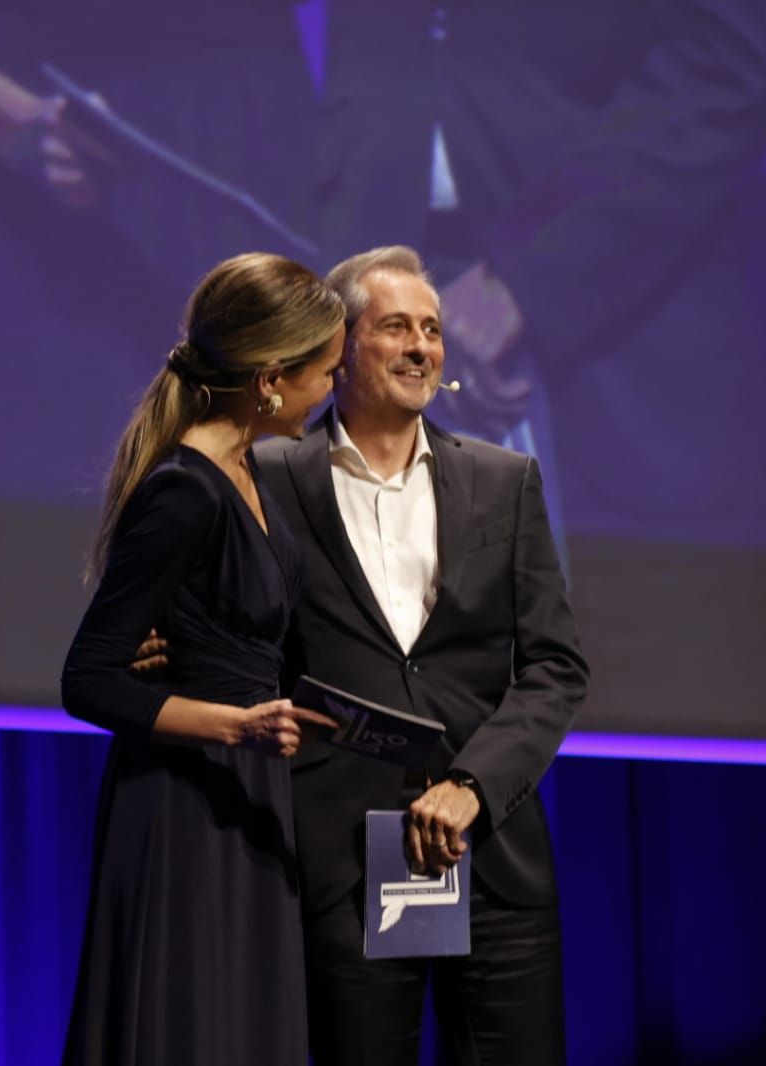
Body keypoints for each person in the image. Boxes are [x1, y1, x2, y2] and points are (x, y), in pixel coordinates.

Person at [255, 246, 589, 1065]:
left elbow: (555, 666)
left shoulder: (505, 481)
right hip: (341, 861)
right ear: (340, 346)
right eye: (396, 327)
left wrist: (472, 786)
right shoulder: (269, 477)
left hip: (493, 861)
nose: (421, 347)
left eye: (432, 330)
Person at [59, 252, 346, 1066]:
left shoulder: (247, 469)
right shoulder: (184, 489)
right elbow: (88, 679)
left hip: (244, 793)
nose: (329, 390)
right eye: (322, 372)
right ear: (268, 378)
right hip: (185, 804)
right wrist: (235, 727)